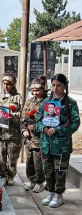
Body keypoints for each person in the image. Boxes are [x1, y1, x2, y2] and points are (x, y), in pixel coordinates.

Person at [36, 73, 80, 208]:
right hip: (46, 144)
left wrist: (58, 130)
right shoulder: (45, 102)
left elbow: (75, 123)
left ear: (64, 86)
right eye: (53, 85)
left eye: (58, 85)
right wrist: (43, 128)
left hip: (61, 145)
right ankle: (50, 192)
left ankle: (59, 194)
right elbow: (37, 120)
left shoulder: (70, 103)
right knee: (48, 169)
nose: (55, 88)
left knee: (59, 170)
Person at [0, 73, 23, 186]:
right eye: (4, 84)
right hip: (1, 132)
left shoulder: (18, 98)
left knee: (12, 156)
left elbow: (22, 113)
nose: (6, 86)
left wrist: (13, 115)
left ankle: (11, 176)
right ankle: (2, 175)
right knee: (1, 155)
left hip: (13, 133)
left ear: (13, 84)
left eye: (8, 84)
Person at [21, 76, 47, 193]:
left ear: (43, 89)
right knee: (29, 160)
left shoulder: (47, 102)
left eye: (37, 90)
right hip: (29, 137)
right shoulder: (29, 101)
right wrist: (23, 130)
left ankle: (39, 182)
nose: (35, 93)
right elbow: (23, 117)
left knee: (38, 161)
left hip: (40, 137)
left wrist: (36, 127)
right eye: (33, 90)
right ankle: (31, 180)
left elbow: (50, 120)